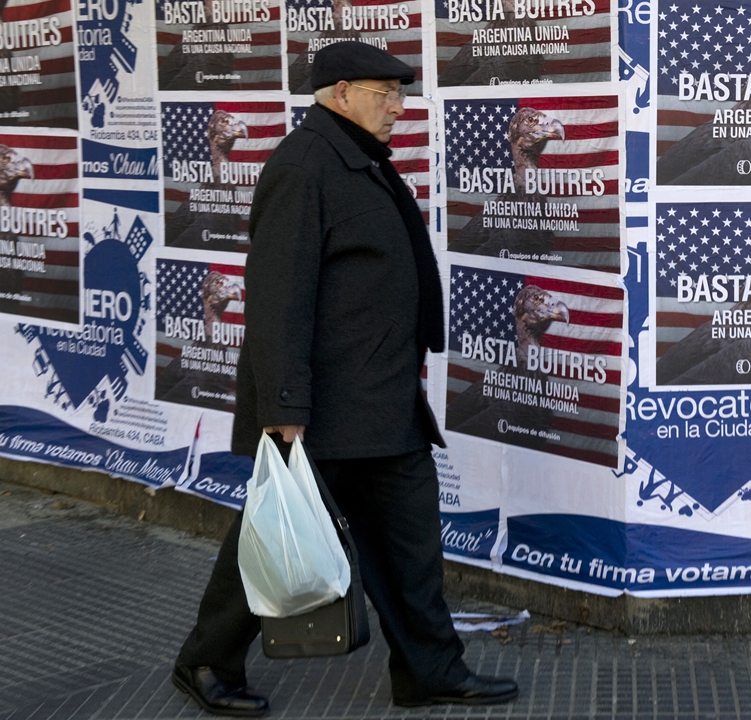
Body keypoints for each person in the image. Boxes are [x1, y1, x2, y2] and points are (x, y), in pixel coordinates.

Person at [171, 41, 519, 716]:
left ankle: (430, 670)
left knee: (410, 545)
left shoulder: (359, 158)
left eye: (401, 94)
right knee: (278, 534)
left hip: (384, 399)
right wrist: (284, 404)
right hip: (323, 407)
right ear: (340, 95)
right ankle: (205, 662)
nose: (398, 107)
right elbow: (278, 295)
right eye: (385, 94)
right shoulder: (303, 167)